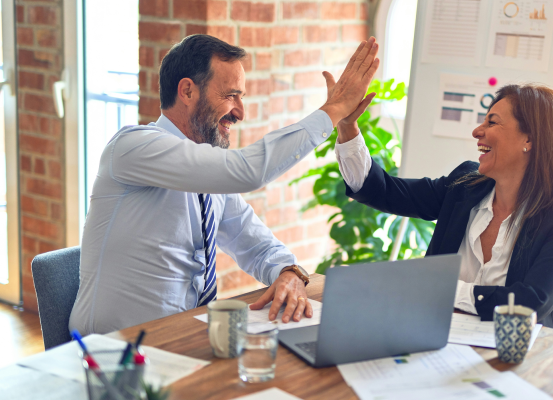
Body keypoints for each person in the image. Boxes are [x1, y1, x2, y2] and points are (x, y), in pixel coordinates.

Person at [70, 34, 379, 335]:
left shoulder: (208, 177)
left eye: (241, 97)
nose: (240, 112)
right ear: (188, 92)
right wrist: (334, 110)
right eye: (231, 95)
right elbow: (248, 171)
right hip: (113, 354)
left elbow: (255, 243)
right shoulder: (133, 147)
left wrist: (289, 272)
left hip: (183, 341)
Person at [334, 84, 553, 328]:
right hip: (434, 340)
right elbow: (383, 191)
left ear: (529, 140)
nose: (477, 131)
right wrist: (347, 127)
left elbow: (529, 304)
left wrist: (441, 289)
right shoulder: (464, 186)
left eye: (492, 122)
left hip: (514, 361)